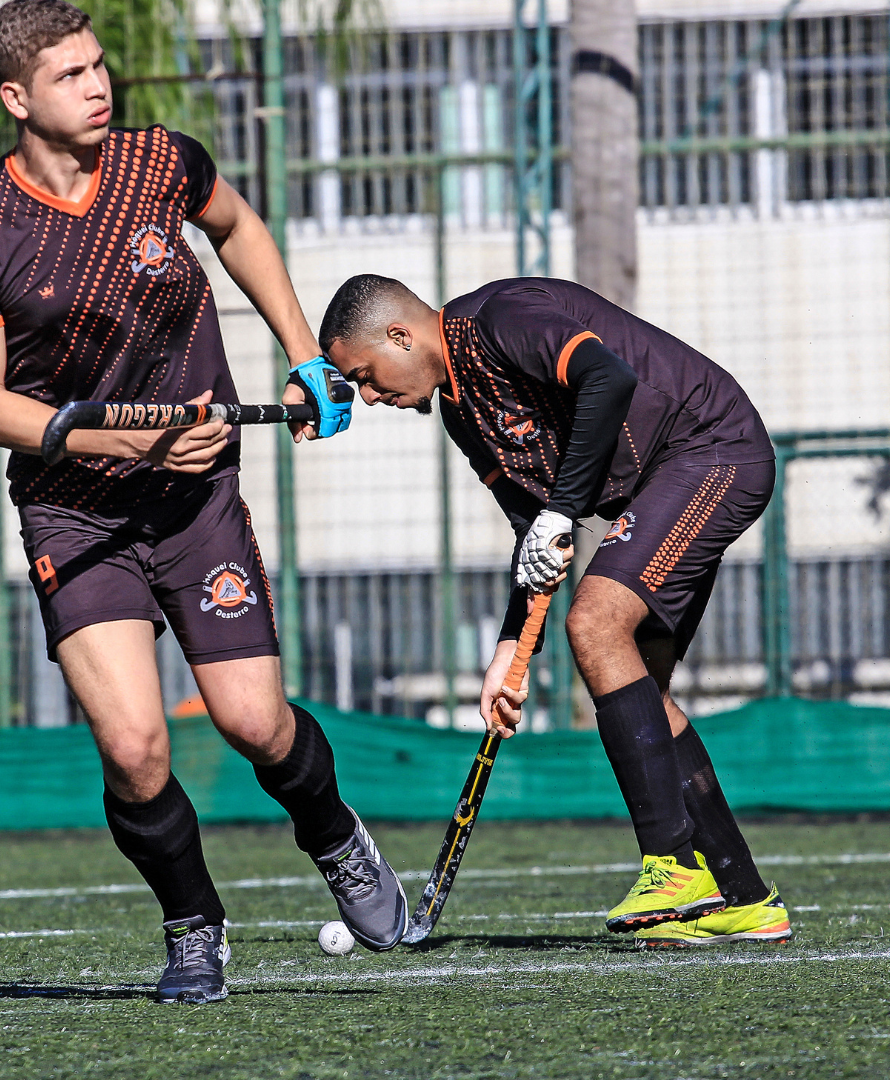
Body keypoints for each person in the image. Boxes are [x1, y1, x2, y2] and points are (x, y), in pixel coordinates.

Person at [0, 0, 406, 1002]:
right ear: (15, 97)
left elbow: (238, 229)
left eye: (99, 67)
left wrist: (306, 357)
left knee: (254, 725)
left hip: (196, 504)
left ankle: (333, 835)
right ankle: (193, 927)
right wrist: (115, 438)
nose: (99, 86)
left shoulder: (161, 163)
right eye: (70, 75)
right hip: (75, 512)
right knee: (137, 749)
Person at [315, 273, 791, 946]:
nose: (367, 395)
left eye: (364, 375)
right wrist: (511, 648)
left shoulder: (500, 318)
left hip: (711, 450)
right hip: (662, 483)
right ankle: (744, 899)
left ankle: (673, 866)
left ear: (400, 335)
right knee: (638, 686)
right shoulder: (460, 411)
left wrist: (564, 511)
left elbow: (608, 379)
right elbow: (533, 529)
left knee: (595, 624)